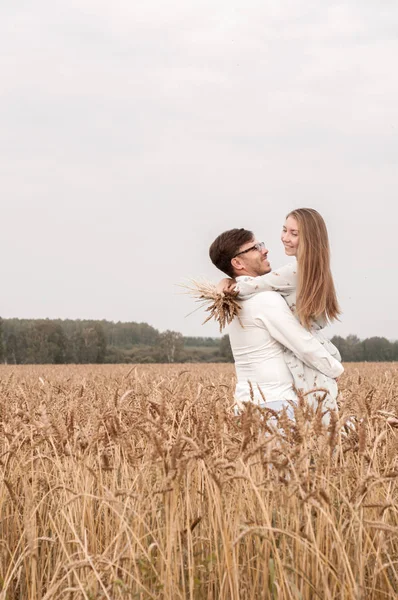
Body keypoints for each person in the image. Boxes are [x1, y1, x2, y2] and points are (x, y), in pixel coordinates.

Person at [216, 209, 342, 418]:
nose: (284, 238)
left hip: (274, 393)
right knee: (324, 424)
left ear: (309, 239)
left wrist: (226, 284)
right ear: (237, 262)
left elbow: (252, 286)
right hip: (281, 394)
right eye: (285, 230)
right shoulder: (313, 272)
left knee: (323, 425)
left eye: (294, 233)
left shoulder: (291, 274)